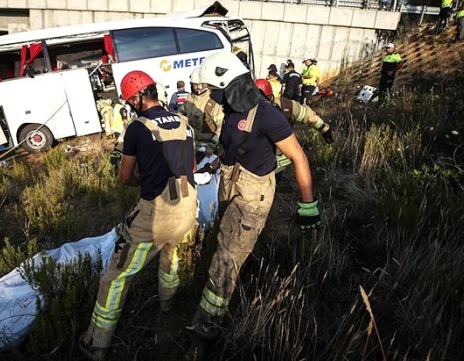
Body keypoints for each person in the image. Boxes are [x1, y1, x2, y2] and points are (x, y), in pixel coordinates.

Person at [186, 51, 321, 357]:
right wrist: (214, 163)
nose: (212, 96)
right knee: (227, 241)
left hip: (254, 193)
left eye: (215, 90)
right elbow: (232, 145)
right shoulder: (231, 110)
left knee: (226, 256)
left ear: (229, 86)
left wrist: (308, 203)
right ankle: (243, 273)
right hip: (231, 180)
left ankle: (207, 325)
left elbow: (299, 156)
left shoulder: (268, 115)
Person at [80, 71, 198, 361]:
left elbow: (125, 177)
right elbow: (192, 166)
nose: (130, 104)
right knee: (171, 261)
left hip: (156, 216)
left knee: (116, 277)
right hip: (187, 208)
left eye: (129, 99)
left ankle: (97, 343)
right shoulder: (184, 122)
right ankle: (168, 310)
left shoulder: (137, 128)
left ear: (136, 97)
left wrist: (146, 182)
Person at [255, 79, 333, 145]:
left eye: (265, 99)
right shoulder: (248, 111)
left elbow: (307, 115)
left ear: (271, 96)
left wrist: (325, 129)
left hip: (284, 155)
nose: (263, 104)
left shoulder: (287, 106)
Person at [179, 67, 224, 162]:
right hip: (193, 147)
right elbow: (180, 113)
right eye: (195, 84)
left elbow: (221, 126)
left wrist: (212, 146)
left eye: (201, 84)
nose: (198, 87)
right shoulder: (189, 99)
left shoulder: (212, 100)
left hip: (209, 150)